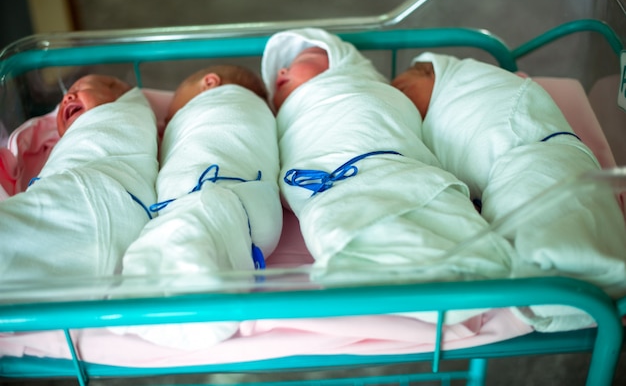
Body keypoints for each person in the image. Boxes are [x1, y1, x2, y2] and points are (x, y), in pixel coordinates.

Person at [261, 28, 515, 299]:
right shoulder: (281, 123)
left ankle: (482, 274)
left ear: (343, 61)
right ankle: (420, 286)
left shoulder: (366, 87)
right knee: (349, 228)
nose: (282, 72)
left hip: (402, 168)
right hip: (330, 188)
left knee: (439, 209)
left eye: (304, 57)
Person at [391, 54, 626, 301]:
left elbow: (514, 108)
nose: (401, 99)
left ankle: (572, 276)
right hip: (506, 172)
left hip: (535, 151)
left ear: (433, 71)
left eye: (402, 88)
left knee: (552, 218)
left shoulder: (472, 83)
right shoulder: (430, 131)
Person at [112, 65, 282, 349]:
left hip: (215, 188)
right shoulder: (264, 117)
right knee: (203, 235)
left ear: (209, 84)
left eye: (169, 117)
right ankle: (209, 289)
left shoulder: (222, 102)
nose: (165, 125)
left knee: (177, 233)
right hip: (257, 207)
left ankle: (171, 296)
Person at [0, 74, 158, 282]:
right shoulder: (71, 142)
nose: (66, 98)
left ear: (117, 89)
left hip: (96, 193)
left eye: (81, 88)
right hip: (98, 201)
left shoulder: (130, 112)